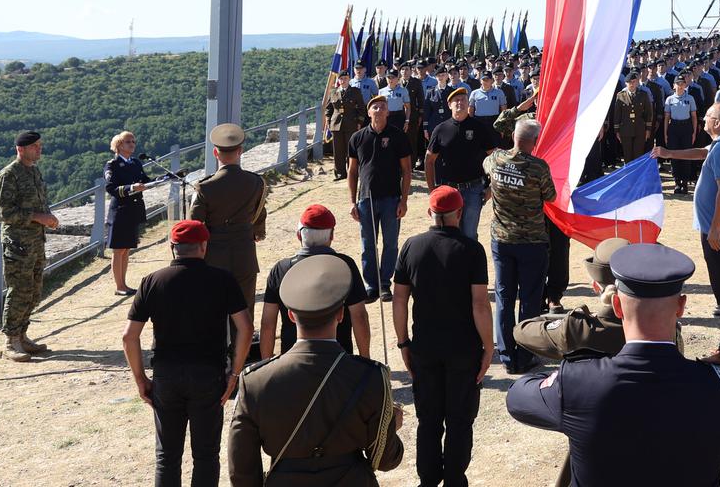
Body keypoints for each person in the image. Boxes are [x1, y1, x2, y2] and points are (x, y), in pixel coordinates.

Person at [505, 243, 720, 486]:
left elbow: (517, 398)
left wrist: (568, 377)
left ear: (617, 306)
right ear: (681, 306)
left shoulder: (578, 382)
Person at [228, 253, 406, 485]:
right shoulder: (371, 376)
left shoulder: (254, 382)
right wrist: (391, 427)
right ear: (341, 315)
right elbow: (385, 459)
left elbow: (241, 471)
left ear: (291, 316)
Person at [123, 220, 252, 487]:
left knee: (167, 457)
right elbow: (246, 328)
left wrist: (140, 379)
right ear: (204, 246)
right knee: (206, 455)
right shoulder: (222, 279)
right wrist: (234, 373)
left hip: (166, 375)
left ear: (173, 248)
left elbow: (129, 336)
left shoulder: (151, 281)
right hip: (208, 374)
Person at [393, 186, 493, 487]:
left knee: (429, 419)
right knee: (460, 420)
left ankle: (428, 479)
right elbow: (479, 304)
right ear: (459, 214)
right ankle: (453, 479)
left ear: (429, 213)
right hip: (463, 348)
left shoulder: (411, 246)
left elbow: (399, 300)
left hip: (424, 345)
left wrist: (402, 343)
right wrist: (488, 346)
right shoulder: (472, 250)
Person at [654, 101, 720, 364]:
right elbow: (701, 153)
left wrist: (715, 229)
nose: (704, 121)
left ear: (717, 123)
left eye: (708, 117)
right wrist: (668, 153)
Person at [484, 118, 557, 372]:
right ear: (534, 142)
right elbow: (551, 196)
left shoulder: (495, 160)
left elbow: (497, 130)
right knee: (529, 299)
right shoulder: (538, 168)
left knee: (504, 297)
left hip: (502, 239)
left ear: (513, 136)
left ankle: (506, 356)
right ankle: (525, 354)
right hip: (532, 241)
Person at [260, 203, 371, 359]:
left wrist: (267, 365)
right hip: (338, 360)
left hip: (293, 362)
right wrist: (365, 360)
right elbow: (359, 316)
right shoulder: (346, 266)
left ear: (299, 235)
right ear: (331, 236)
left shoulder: (280, 269)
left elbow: (267, 324)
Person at [190, 122, 268, 315]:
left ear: (216, 154)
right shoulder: (256, 182)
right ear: (240, 151)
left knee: (213, 312)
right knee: (244, 311)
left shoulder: (204, 187)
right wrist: (258, 232)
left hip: (213, 257)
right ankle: (242, 346)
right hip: (245, 254)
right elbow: (259, 211)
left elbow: (195, 226)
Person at [0, 130, 58, 361]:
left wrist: (47, 218)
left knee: (34, 290)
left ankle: (23, 335)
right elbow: (1, 212)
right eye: (35, 146)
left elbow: (39, 203)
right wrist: (38, 217)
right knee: (18, 291)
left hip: (35, 241)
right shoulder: (9, 174)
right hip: (18, 243)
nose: (39, 149)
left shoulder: (34, 171)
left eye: (40, 145)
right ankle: (11, 342)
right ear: (21, 149)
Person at [348, 94, 413, 302]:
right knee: (368, 244)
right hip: (366, 198)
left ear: (388, 112)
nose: (378, 110)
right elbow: (352, 171)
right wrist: (352, 201)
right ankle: (371, 284)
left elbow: (407, 169)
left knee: (391, 243)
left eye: (382, 107)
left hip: (391, 199)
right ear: (368, 113)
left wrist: (403, 200)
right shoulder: (357, 138)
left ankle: (385, 283)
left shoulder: (398, 136)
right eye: (374, 107)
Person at [426, 87, 493, 240]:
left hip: (474, 190)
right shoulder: (441, 129)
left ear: (468, 103)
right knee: (447, 236)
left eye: (463, 99)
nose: (460, 103)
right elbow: (429, 161)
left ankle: (469, 265)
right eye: (456, 100)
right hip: (448, 190)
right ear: (449, 105)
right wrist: (432, 190)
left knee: (469, 236)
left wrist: (491, 188)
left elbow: (495, 158)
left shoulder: (479, 127)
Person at [104, 130, 152, 295]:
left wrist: (164, 178)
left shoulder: (136, 163)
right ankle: (119, 286)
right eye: (128, 142)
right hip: (120, 211)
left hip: (133, 210)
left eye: (133, 141)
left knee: (126, 249)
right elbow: (110, 188)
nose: (132, 144)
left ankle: (124, 284)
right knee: (118, 249)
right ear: (119, 145)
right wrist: (131, 188)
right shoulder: (112, 165)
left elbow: (144, 180)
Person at [324, 68, 365, 180]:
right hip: (336, 124)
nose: (343, 81)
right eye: (341, 79)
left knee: (350, 150)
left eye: (345, 79)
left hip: (351, 123)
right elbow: (328, 109)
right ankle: (340, 173)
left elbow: (361, 108)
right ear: (339, 80)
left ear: (349, 79)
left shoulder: (355, 91)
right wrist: (328, 120)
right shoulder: (333, 92)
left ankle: (352, 172)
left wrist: (359, 122)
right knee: (338, 151)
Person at [662, 73, 700, 193]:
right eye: (678, 84)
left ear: (685, 85)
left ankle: (685, 183)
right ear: (674, 86)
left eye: (682, 84)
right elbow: (667, 118)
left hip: (686, 128)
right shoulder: (669, 100)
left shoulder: (690, 98)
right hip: (674, 128)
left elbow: (694, 116)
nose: (680, 86)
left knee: (686, 155)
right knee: (674, 155)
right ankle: (677, 182)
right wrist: (665, 133)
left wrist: (694, 132)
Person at [607, 71, 655, 163]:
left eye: (634, 82)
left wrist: (648, 129)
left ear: (637, 82)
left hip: (639, 130)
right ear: (626, 83)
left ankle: (637, 175)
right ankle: (628, 175)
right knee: (627, 155)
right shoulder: (621, 95)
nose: (632, 84)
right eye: (630, 82)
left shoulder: (643, 95)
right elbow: (617, 114)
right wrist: (617, 130)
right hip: (625, 130)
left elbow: (649, 113)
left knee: (638, 155)